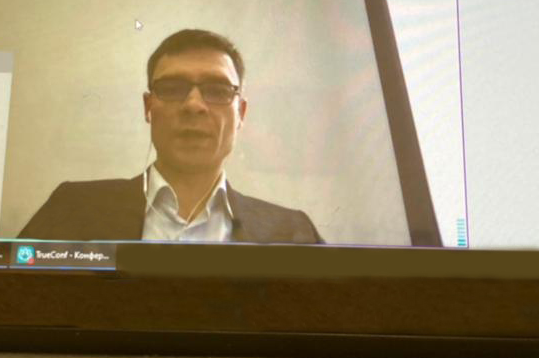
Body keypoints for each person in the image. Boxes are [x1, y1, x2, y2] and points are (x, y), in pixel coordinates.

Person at [19, 29, 322, 243]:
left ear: (241, 113)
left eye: (218, 90)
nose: (193, 105)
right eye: (173, 88)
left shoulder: (293, 232)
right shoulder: (72, 209)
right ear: (148, 107)